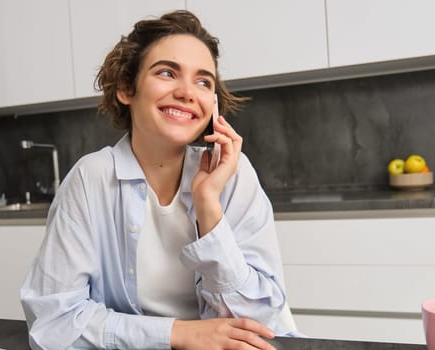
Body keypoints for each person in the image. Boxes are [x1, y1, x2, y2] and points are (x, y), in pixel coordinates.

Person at [20, 10, 296, 350]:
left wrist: (208, 206)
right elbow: (54, 323)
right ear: (126, 88)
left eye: (203, 81)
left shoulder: (234, 175)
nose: (187, 92)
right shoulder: (90, 179)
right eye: (167, 72)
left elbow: (259, 320)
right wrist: (179, 334)